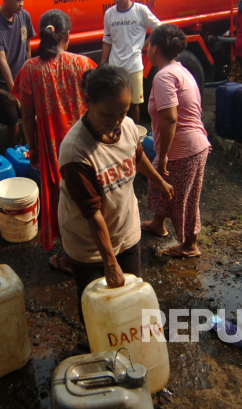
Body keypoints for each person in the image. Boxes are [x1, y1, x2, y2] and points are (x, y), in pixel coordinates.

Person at [57, 65, 173, 320]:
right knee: (97, 307)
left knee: (130, 301)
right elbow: (92, 213)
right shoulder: (76, 151)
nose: (116, 122)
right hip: (89, 245)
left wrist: (158, 181)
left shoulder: (128, 126)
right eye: (109, 114)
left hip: (126, 231)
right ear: (87, 102)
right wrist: (109, 262)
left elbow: (137, 155)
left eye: (122, 112)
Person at [12, 9, 97, 275]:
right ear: (67, 35)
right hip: (85, 146)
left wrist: (33, 147)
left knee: (62, 200)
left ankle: (71, 257)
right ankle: (95, 249)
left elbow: (27, 116)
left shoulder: (30, 70)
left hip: (54, 150)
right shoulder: (84, 65)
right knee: (90, 194)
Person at [140, 25, 210, 258]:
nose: (147, 47)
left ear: (155, 48)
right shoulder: (180, 69)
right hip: (193, 144)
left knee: (184, 198)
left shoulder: (163, 77)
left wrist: (164, 156)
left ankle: (190, 245)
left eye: (149, 43)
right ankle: (159, 224)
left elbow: (170, 118)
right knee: (160, 185)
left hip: (183, 148)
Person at [101, 0, 160, 124]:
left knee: (134, 105)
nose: (116, 0)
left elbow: (158, 28)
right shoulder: (109, 14)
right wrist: (102, 64)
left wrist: (145, 44)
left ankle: (135, 136)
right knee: (116, 104)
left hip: (134, 67)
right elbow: (107, 40)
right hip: (115, 68)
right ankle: (118, 134)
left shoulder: (141, 11)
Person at [0, 0, 35, 146]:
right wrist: (13, 90)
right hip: (2, 81)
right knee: (13, 121)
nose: (21, 3)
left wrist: (28, 71)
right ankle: (18, 151)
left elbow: (27, 45)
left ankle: (32, 151)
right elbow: (1, 60)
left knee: (29, 115)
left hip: (22, 75)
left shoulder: (24, 15)